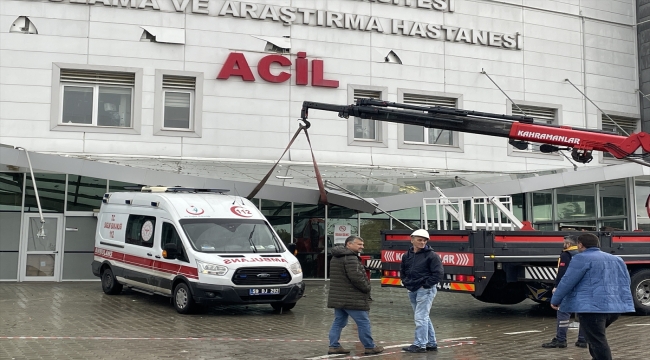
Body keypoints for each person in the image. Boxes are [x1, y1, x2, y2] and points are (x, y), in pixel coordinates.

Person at [550, 233, 635, 360]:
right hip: (614, 308)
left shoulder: (581, 258)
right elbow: (625, 282)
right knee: (593, 338)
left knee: (597, 341)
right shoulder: (617, 259)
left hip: (592, 308)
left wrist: (556, 299)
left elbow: (567, 281)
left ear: (580, 244)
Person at [327, 236, 384, 355]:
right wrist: (367, 287)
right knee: (363, 322)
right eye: (359, 244)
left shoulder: (336, 257)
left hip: (339, 297)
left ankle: (334, 346)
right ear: (349, 244)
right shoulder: (350, 258)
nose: (362, 247)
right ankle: (369, 347)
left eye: (362, 244)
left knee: (339, 321)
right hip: (352, 298)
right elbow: (356, 277)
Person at [400, 229, 444, 353]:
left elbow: (438, 274)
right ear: (412, 239)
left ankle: (420, 344)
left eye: (424, 240)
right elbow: (403, 270)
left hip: (425, 290)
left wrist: (425, 285)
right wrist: (406, 281)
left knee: (420, 317)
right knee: (423, 317)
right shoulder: (406, 255)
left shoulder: (432, 255)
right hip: (412, 288)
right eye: (419, 240)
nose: (422, 242)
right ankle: (431, 342)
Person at [541, 235, 587, 349]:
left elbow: (562, 272)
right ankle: (582, 340)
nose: (563, 244)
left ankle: (561, 340)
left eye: (564, 243)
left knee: (563, 312)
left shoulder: (566, 255)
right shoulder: (584, 254)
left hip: (569, 287)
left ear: (569, 244)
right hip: (582, 288)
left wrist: (557, 287)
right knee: (581, 313)